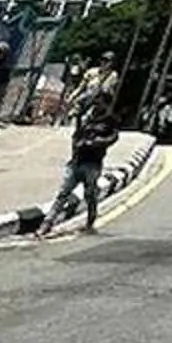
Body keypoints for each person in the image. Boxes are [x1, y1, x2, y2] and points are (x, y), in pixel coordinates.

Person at [35, 84, 121, 238]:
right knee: (63, 193)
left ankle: (91, 218)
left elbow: (113, 138)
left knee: (89, 194)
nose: (96, 104)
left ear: (106, 103)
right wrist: (77, 145)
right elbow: (76, 134)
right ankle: (47, 224)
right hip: (77, 161)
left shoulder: (110, 120)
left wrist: (96, 142)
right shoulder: (86, 117)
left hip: (92, 163)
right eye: (95, 101)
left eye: (99, 101)